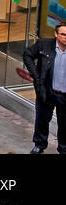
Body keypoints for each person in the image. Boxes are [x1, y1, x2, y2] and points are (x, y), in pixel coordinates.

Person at [23, 21, 66, 154]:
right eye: (63, 34)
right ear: (56, 34)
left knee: (65, 124)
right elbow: (27, 55)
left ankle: (63, 148)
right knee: (42, 120)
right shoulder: (44, 45)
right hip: (47, 91)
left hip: (65, 95)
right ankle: (39, 145)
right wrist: (36, 77)